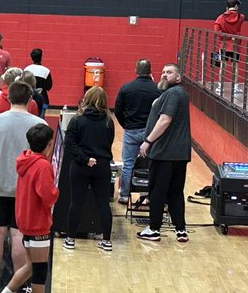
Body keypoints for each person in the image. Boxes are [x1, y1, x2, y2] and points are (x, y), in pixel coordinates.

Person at [0, 82, 43, 293]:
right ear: (31, 99)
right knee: (19, 235)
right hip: (26, 191)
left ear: (9, 98)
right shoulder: (39, 124)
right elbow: (45, 162)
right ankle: (20, 284)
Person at [11, 122, 64, 293]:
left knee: (32, 266)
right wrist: (57, 191)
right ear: (49, 144)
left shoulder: (25, 159)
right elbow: (48, 196)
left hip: (26, 220)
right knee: (41, 269)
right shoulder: (43, 165)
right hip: (38, 223)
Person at [138, 63, 192, 244]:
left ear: (178, 77)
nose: (164, 75)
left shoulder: (173, 93)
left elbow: (164, 120)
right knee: (176, 192)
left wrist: (147, 141)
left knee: (158, 192)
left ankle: (154, 229)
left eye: (169, 72)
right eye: (162, 72)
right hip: (178, 154)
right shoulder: (176, 94)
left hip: (164, 153)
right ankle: (181, 230)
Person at [62, 87, 115, 251]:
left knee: (76, 202)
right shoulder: (108, 120)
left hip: (80, 166)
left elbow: (69, 144)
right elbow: (109, 141)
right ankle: (107, 241)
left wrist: (85, 159)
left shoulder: (77, 119)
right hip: (103, 165)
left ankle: (70, 239)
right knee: (103, 203)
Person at [113, 60, 160, 204]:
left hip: (131, 130)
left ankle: (125, 195)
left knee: (128, 164)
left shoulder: (126, 88)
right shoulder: (157, 89)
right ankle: (151, 196)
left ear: (136, 70)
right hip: (151, 133)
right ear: (150, 71)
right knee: (153, 164)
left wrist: (126, 125)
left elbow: (118, 110)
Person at [25, 49, 53, 115]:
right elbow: (49, 87)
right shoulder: (46, 71)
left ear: (32, 58)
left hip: (28, 99)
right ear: (41, 57)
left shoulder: (27, 69)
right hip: (43, 100)